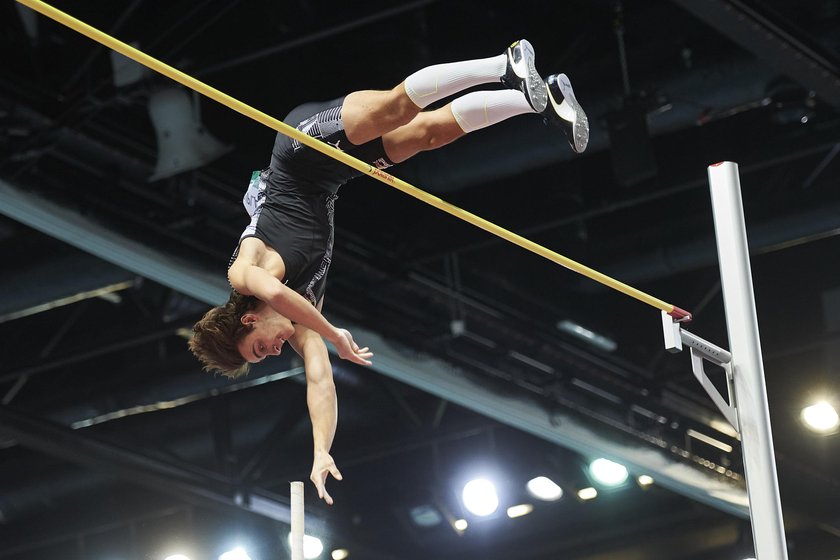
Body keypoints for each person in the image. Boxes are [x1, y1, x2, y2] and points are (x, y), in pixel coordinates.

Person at [189, 39, 588, 505]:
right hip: (333, 176)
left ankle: (505, 64)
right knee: (430, 133)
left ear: (248, 319)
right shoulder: (299, 324)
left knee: (395, 107)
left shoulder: (246, 273)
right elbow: (319, 382)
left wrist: (335, 334)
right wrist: (321, 452)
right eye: (270, 355)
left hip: (300, 148)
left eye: (260, 347)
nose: (276, 350)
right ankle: (538, 100)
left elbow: (281, 297)